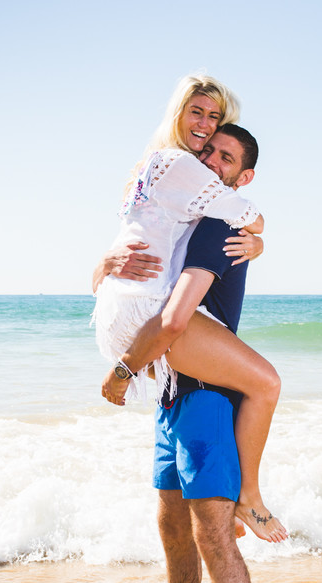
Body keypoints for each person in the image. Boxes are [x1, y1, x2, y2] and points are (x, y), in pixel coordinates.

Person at [98, 125, 274, 583]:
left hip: (206, 398)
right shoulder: (185, 223)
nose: (211, 161)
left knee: (214, 538)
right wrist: (107, 262)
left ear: (243, 176)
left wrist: (122, 371)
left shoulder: (217, 227)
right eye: (208, 151)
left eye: (226, 157)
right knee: (173, 529)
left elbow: (175, 320)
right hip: (172, 394)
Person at [91, 74, 285, 541]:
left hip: (127, 319)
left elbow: (136, 247)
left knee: (180, 520)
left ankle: (230, 500)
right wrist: (123, 371)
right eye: (196, 113)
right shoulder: (190, 180)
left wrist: (258, 245)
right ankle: (248, 498)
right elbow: (252, 218)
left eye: (214, 118)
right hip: (152, 323)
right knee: (265, 383)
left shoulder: (165, 181)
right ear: (177, 113)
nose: (205, 130)